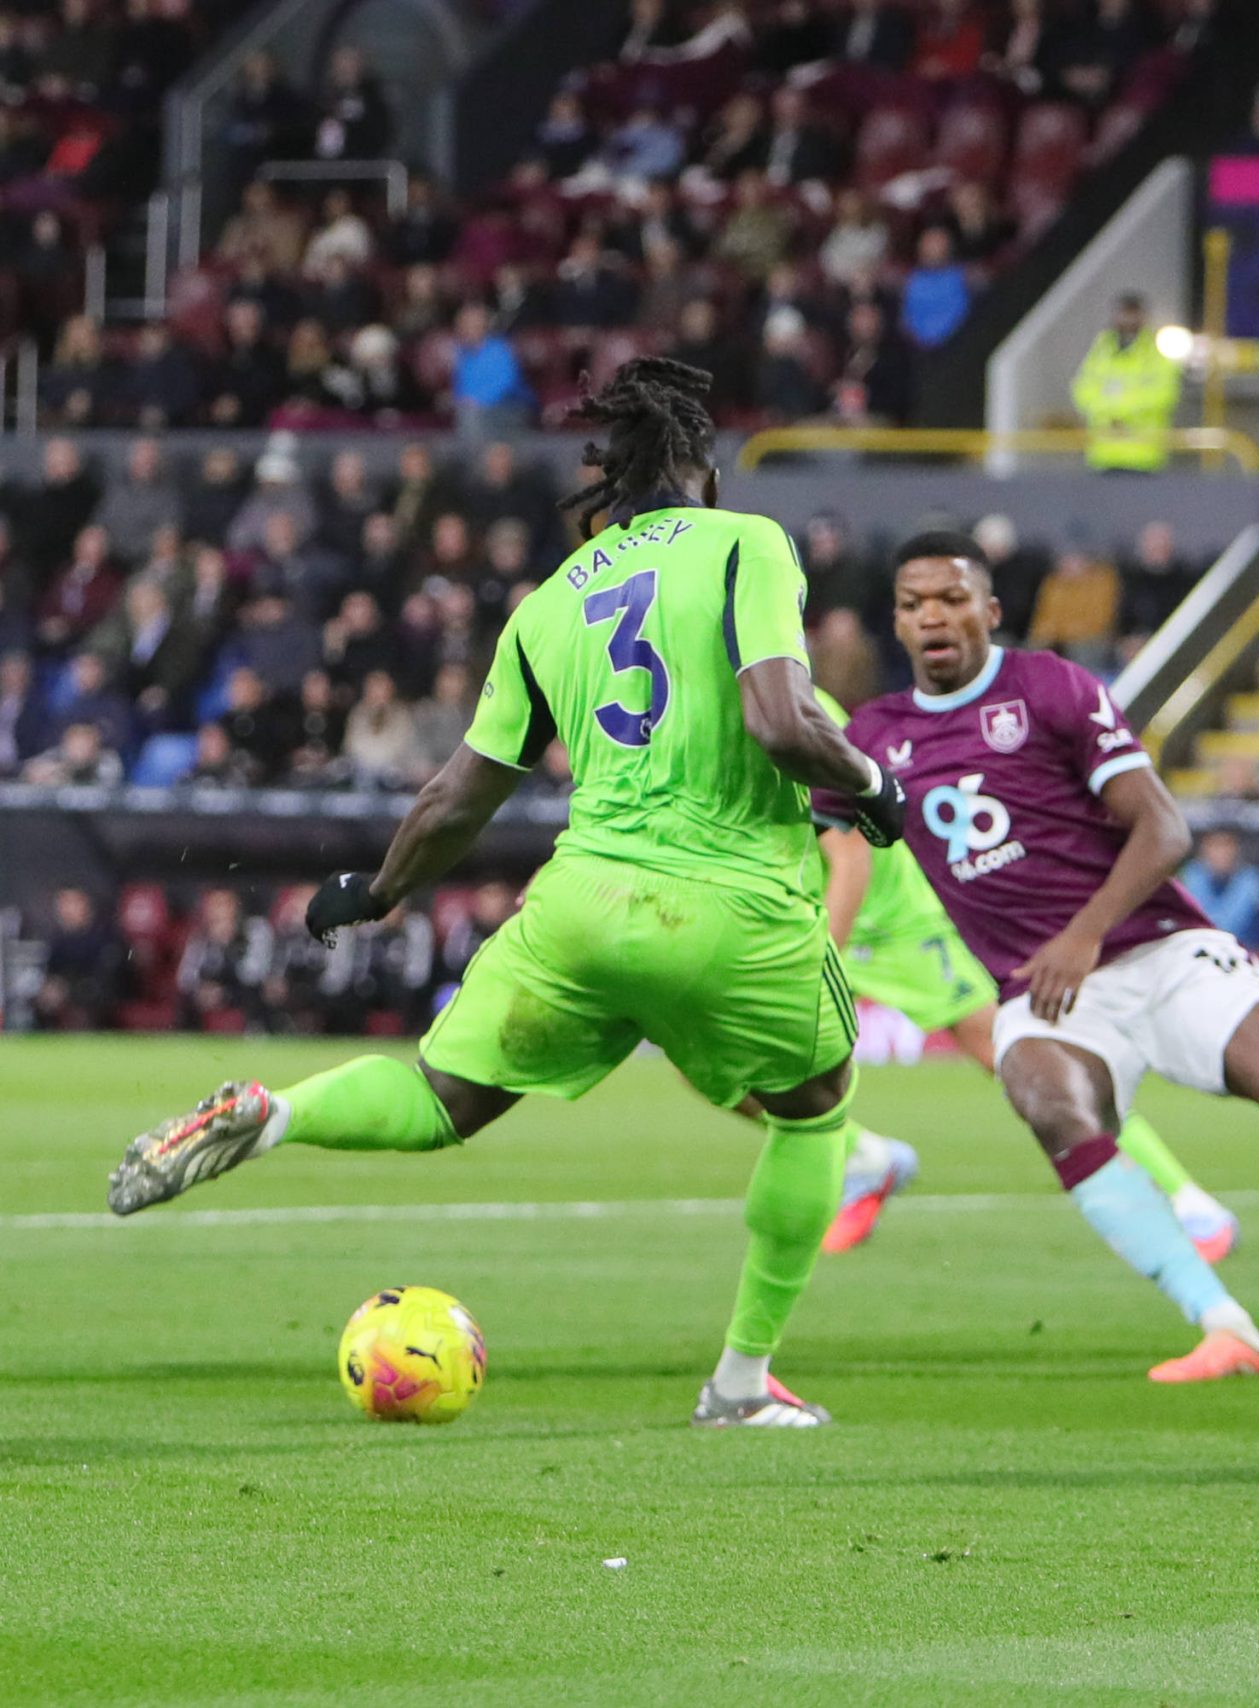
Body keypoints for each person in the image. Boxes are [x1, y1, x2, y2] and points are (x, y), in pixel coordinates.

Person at [106, 359, 909, 1431]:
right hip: (731, 909)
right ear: (697, 471)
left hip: (577, 906)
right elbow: (781, 719)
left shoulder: (549, 606)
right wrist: (872, 782)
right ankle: (737, 1385)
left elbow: (454, 795)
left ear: (606, 496)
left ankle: (277, 1112)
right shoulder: (747, 543)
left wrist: (379, 888)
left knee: (445, 1100)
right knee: (816, 1114)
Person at [834, 531, 1259, 1381]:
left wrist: (1083, 933)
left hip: (1162, 950)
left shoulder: (1052, 687)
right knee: (1042, 1094)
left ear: (990, 611)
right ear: (896, 621)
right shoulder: (874, 738)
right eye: (914, 603)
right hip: (1042, 993)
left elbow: (1166, 826)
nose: (934, 616)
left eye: (953, 599)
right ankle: (1223, 1323)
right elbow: (831, 843)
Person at [806, 767, 1243, 1262]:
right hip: (799, 914)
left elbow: (849, 852)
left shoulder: (798, 709)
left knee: (1022, 1059)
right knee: (732, 1055)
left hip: (890, 927)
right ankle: (865, 1156)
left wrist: (817, 962)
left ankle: (1185, 1200)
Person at [1071, 292, 1182, 473]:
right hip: (1103, 454)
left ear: (1143, 316)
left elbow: (1165, 394)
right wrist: (1112, 411)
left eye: (1133, 313)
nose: (1128, 319)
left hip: (1143, 455)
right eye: (1124, 313)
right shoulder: (1101, 350)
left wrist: (1117, 411)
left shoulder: (1156, 353)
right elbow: (1082, 391)